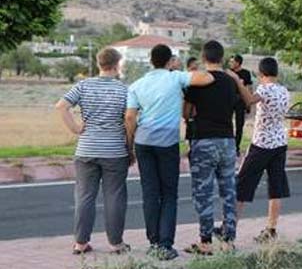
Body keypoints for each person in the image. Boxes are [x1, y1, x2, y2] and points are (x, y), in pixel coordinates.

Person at [125, 44, 214, 261]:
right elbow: (207, 79)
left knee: (150, 193)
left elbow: (129, 118)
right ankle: (165, 244)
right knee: (169, 194)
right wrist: (181, 70)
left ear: (150, 60)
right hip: (167, 143)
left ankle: (153, 241)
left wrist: (130, 146)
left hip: (144, 142)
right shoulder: (175, 78)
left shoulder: (136, 85)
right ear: (169, 61)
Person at [55, 47, 132, 256]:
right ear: (117, 65)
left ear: (99, 64)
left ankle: (80, 243)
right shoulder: (124, 89)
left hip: (86, 149)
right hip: (114, 151)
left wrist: (76, 128)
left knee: (84, 197)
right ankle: (116, 244)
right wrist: (130, 147)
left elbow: (61, 106)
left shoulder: (83, 85)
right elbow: (129, 119)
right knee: (115, 196)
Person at [182, 41, 239, 255]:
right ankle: (228, 239)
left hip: (204, 140)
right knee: (229, 191)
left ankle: (205, 241)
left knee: (203, 192)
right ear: (222, 58)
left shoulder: (197, 81)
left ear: (203, 58)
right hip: (227, 141)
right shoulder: (230, 82)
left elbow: (185, 113)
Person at [231, 57, 290, 243]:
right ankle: (271, 229)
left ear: (260, 73)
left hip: (262, 143)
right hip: (280, 142)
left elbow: (249, 101)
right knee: (276, 186)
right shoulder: (284, 91)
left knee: (242, 184)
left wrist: (238, 83)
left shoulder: (264, 89)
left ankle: (230, 227)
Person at [229, 54, 253, 156]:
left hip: (240, 101)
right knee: (227, 124)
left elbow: (249, 88)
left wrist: (249, 103)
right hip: (229, 101)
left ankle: (236, 147)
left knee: (240, 125)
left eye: (232, 61)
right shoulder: (229, 73)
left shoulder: (246, 73)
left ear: (238, 63)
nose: (231, 63)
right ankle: (229, 146)